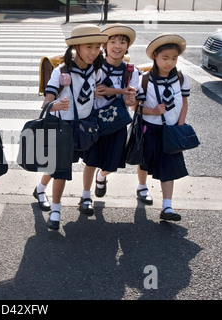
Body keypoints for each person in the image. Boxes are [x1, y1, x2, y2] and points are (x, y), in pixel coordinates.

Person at [34, 24, 107, 230]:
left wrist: (100, 93)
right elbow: (46, 103)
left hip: (87, 124)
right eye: (88, 47)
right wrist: (56, 104)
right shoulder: (61, 71)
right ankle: (55, 209)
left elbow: (95, 91)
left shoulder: (96, 69)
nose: (94, 52)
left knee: (91, 161)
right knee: (60, 169)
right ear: (76, 47)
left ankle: (85, 196)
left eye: (97, 47)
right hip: (63, 126)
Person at [81, 24, 138, 213]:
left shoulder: (131, 71)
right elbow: (96, 91)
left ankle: (102, 176)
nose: (117, 46)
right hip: (95, 121)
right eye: (112, 41)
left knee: (112, 163)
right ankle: (85, 196)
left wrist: (129, 98)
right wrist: (121, 91)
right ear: (105, 45)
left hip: (117, 123)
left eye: (122, 42)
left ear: (127, 46)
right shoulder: (95, 67)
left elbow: (131, 100)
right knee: (91, 160)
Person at [135, 34, 190, 221]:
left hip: (171, 130)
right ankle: (142, 187)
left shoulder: (181, 77)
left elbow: (184, 102)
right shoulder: (145, 80)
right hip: (150, 128)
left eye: (174, 58)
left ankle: (167, 207)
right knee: (145, 161)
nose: (170, 63)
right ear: (155, 57)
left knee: (169, 166)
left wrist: (180, 125)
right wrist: (152, 111)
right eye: (165, 58)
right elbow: (136, 108)